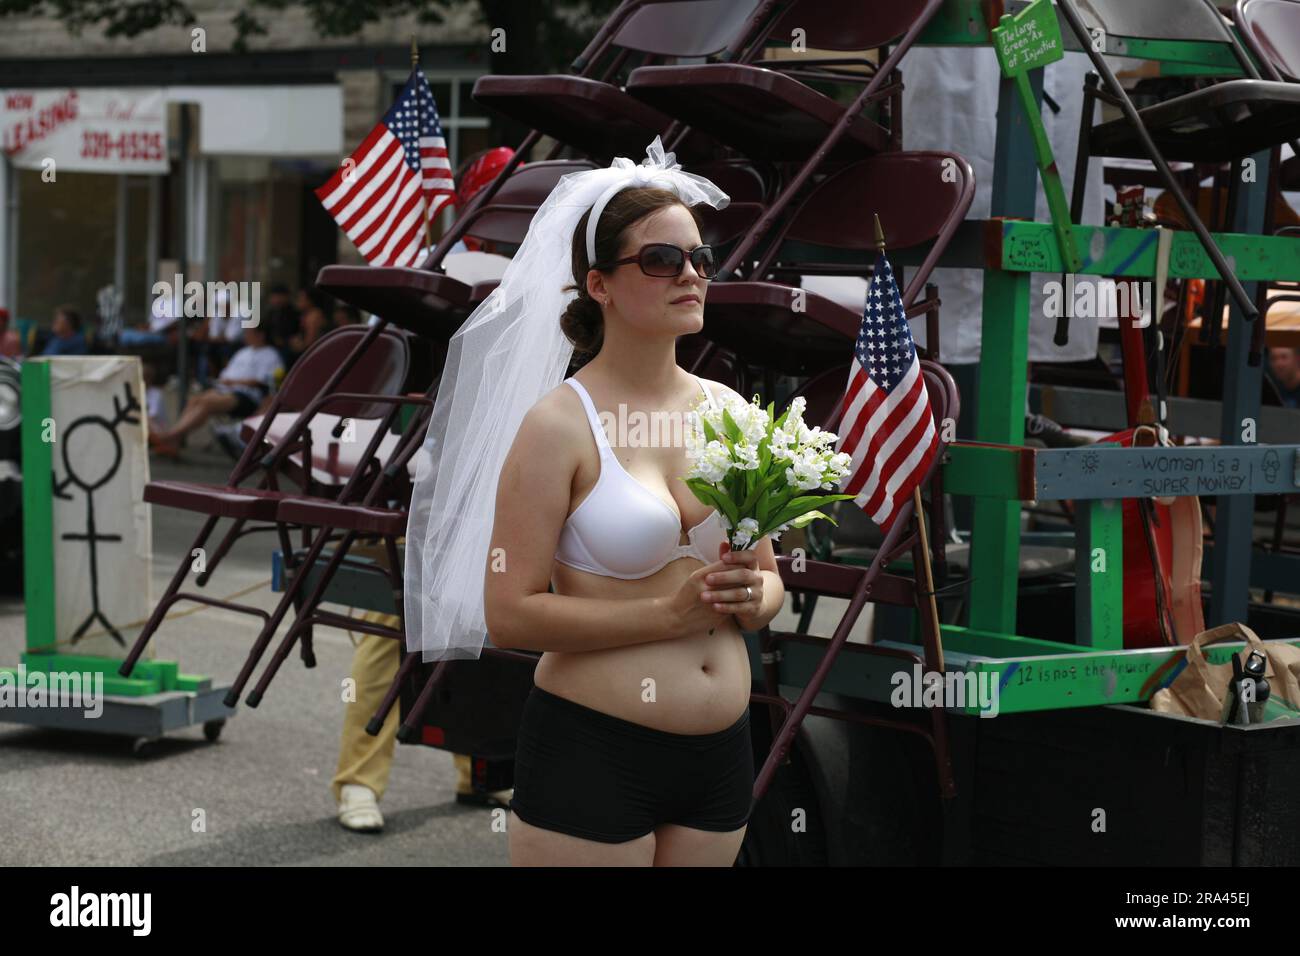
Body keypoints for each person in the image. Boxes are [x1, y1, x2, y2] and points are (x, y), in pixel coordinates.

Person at [405, 138, 776, 866]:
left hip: (721, 754)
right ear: (599, 285)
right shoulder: (556, 426)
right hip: (596, 746)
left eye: (700, 258)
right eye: (662, 260)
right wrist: (663, 614)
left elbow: (769, 584)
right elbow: (510, 612)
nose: (690, 274)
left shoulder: (736, 413)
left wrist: (754, 596)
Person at [148, 324, 282, 456]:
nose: (246, 335)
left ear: (260, 335)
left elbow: (265, 381)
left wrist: (235, 382)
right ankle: (175, 440)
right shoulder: (243, 352)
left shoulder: (271, 355)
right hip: (227, 389)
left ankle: (169, 436)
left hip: (248, 395)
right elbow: (226, 374)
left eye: (249, 332)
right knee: (195, 400)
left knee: (207, 403)